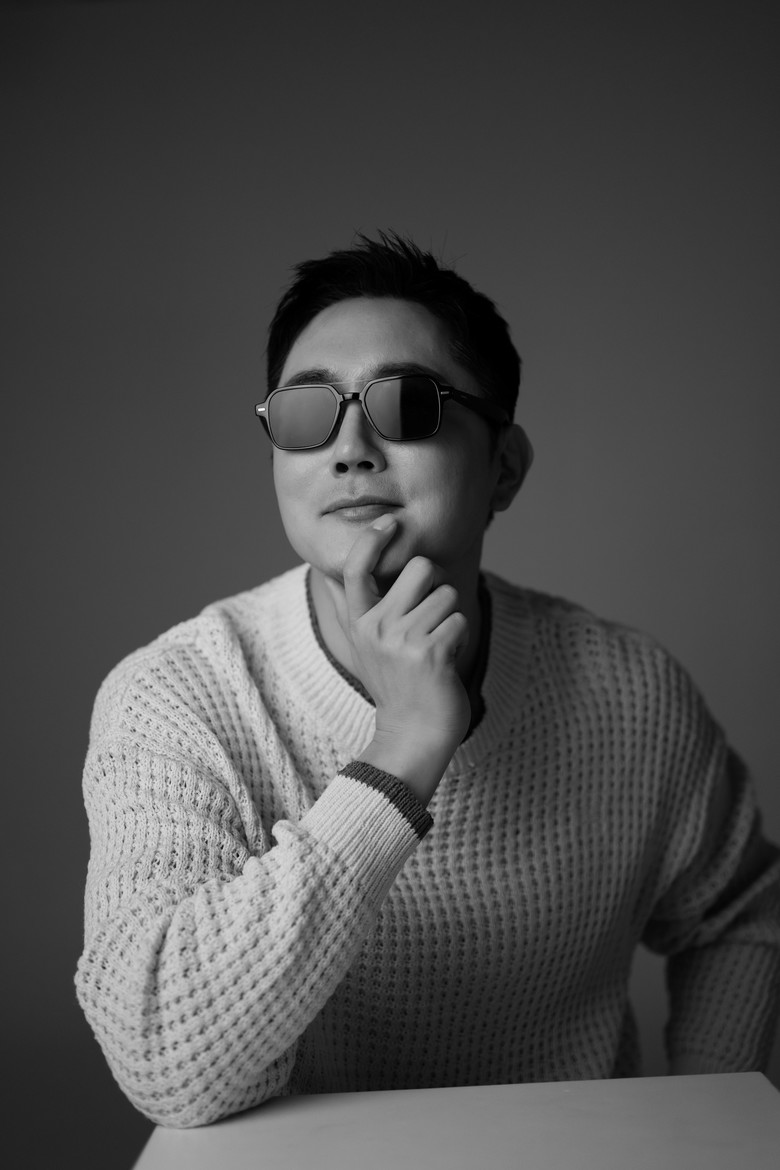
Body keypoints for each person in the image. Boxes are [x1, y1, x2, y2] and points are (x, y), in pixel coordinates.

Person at [75, 233, 780, 1129]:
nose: (350, 448)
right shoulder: (178, 697)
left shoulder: (630, 692)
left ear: (504, 468)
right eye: (306, 412)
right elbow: (165, 1060)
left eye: (408, 405)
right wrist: (401, 752)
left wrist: (707, 1118)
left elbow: (743, 916)